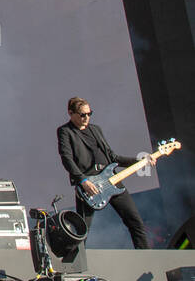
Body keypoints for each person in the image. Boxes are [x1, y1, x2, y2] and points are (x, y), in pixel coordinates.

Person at [57, 96, 153, 249]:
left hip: (111, 180)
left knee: (135, 222)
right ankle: (74, 266)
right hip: (89, 185)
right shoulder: (65, 132)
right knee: (82, 230)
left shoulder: (96, 130)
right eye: (82, 115)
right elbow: (67, 159)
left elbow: (113, 157)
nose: (86, 118)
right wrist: (83, 181)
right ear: (71, 113)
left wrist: (140, 161)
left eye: (89, 114)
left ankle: (146, 258)